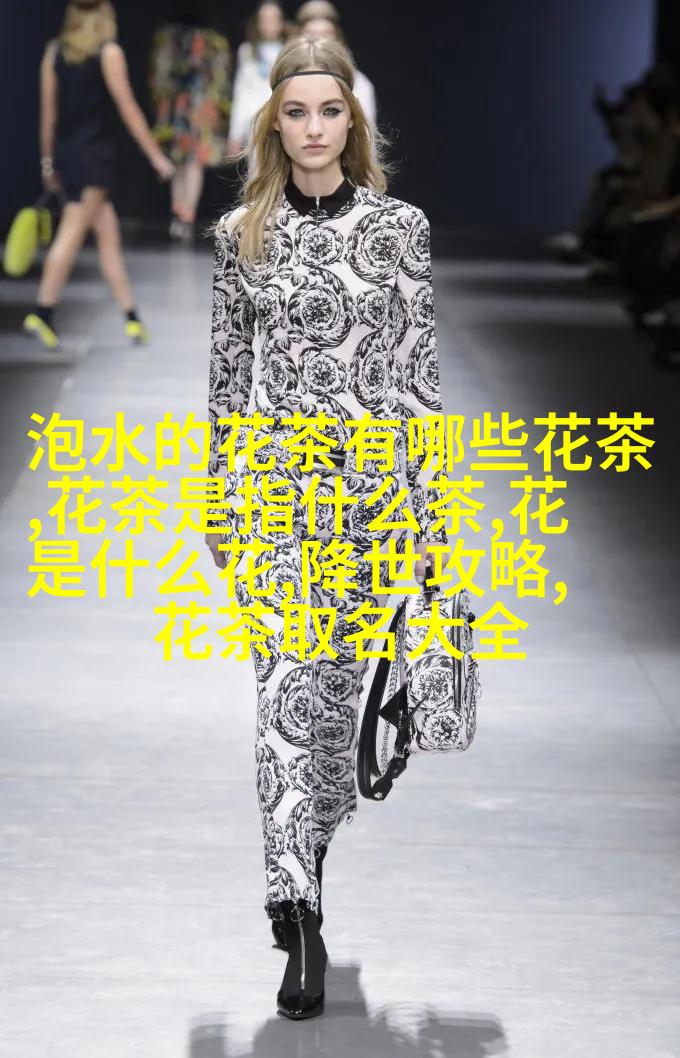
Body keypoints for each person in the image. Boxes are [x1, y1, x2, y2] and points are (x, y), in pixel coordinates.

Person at [205, 34, 445, 1019]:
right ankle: (297, 909)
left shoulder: (399, 230)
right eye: (296, 112)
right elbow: (227, 381)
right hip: (272, 495)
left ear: (354, 121)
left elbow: (420, 381)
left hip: (373, 502)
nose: (313, 129)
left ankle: (305, 848)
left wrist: (431, 525)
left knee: (335, 719)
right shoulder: (240, 235)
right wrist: (216, 499)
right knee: (281, 697)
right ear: (274, 122)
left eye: (329, 112)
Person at [23, 0, 174, 350]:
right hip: (94, 157)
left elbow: (49, 114)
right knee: (72, 232)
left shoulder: (55, 52)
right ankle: (43, 311)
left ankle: (131, 317)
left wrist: (48, 163)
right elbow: (127, 108)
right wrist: (156, 157)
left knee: (108, 236)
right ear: (105, 16)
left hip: (68, 155)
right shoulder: (109, 53)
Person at [149, 12, 231, 241]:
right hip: (193, 106)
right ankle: (184, 215)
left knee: (185, 160)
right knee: (187, 161)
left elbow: (159, 76)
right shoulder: (213, 40)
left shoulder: (171, 37)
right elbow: (220, 78)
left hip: (186, 106)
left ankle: (182, 215)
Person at [294, 1, 377, 129]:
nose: (319, 42)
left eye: (326, 35)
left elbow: (365, 135)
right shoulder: (279, 82)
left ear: (338, 39)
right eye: (311, 35)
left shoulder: (359, 84)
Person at [226, 2, 286, 157]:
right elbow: (241, 93)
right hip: (254, 125)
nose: (269, 24)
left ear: (281, 22)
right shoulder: (247, 51)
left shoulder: (289, 52)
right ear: (258, 23)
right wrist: (235, 134)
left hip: (282, 122)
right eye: (264, 19)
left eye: (273, 18)